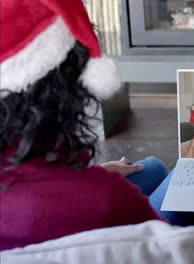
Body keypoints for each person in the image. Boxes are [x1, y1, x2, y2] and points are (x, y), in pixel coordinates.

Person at [0, 0, 170, 250]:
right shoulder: (107, 197)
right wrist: (96, 181)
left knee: (153, 167)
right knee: (182, 177)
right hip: (111, 232)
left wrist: (100, 171)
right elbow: (171, 248)